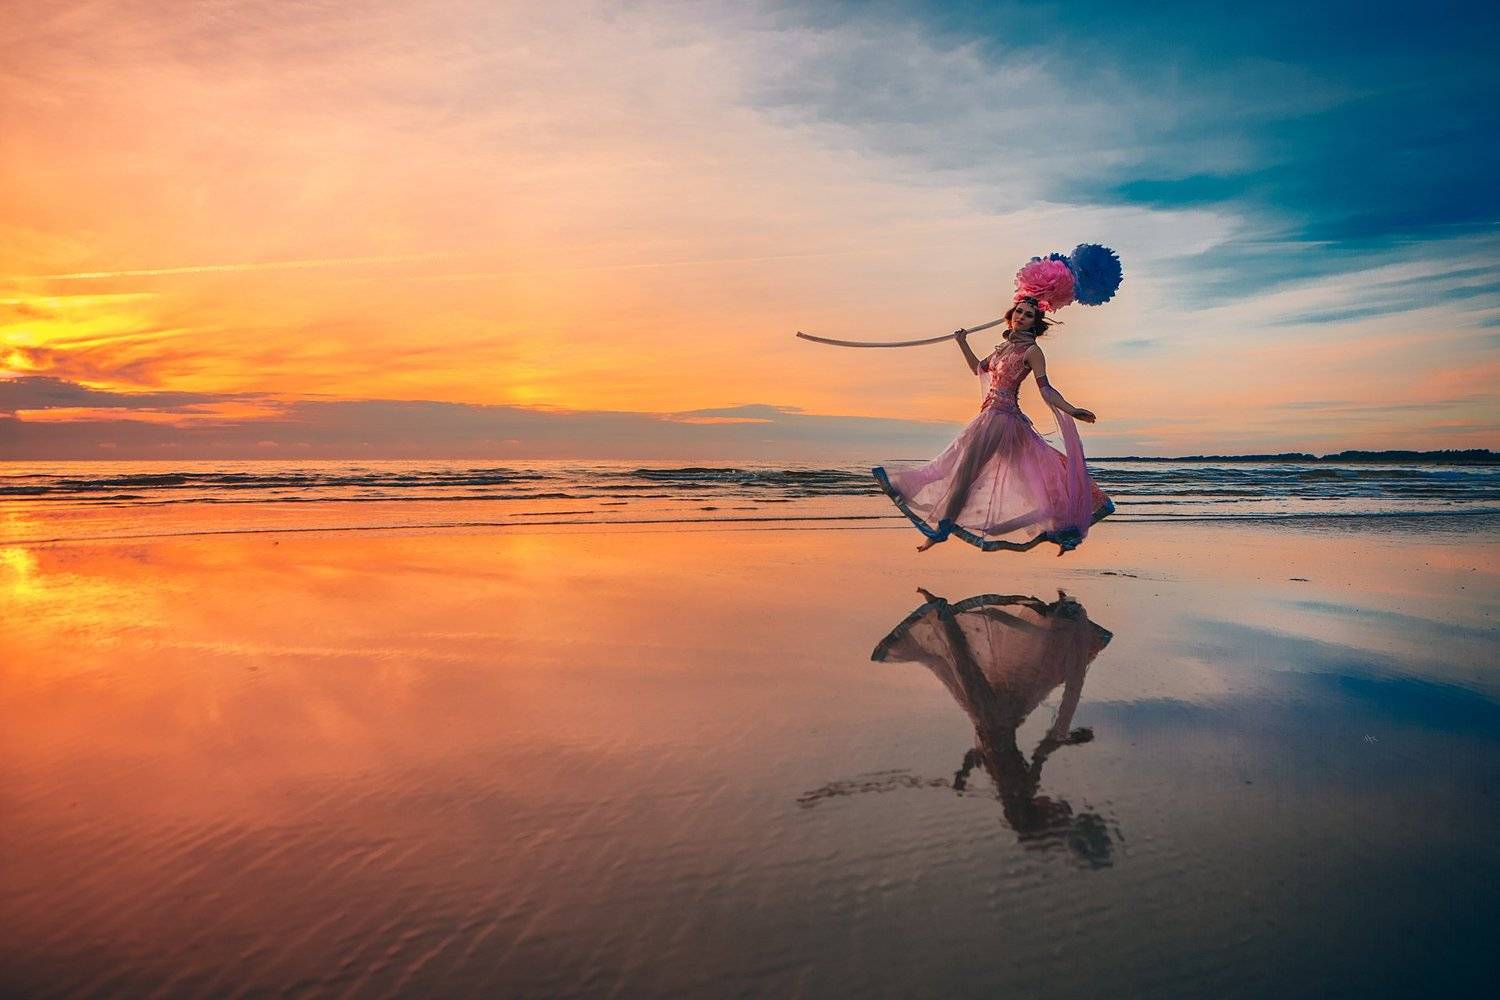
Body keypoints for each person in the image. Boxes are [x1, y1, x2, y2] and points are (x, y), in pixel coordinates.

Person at [872, 296, 1114, 554]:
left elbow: (1046, 390)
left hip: (1002, 418)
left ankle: (939, 528)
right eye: (1018, 311)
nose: (1020, 316)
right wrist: (962, 342)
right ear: (1011, 314)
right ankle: (1064, 531)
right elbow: (979, 369)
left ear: (1035, 323)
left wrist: (1071, 409)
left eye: (1028, 315)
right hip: (990, 416)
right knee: (1031, 479)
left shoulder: (1032, 351)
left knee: (965, 470)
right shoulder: (1002, 348)